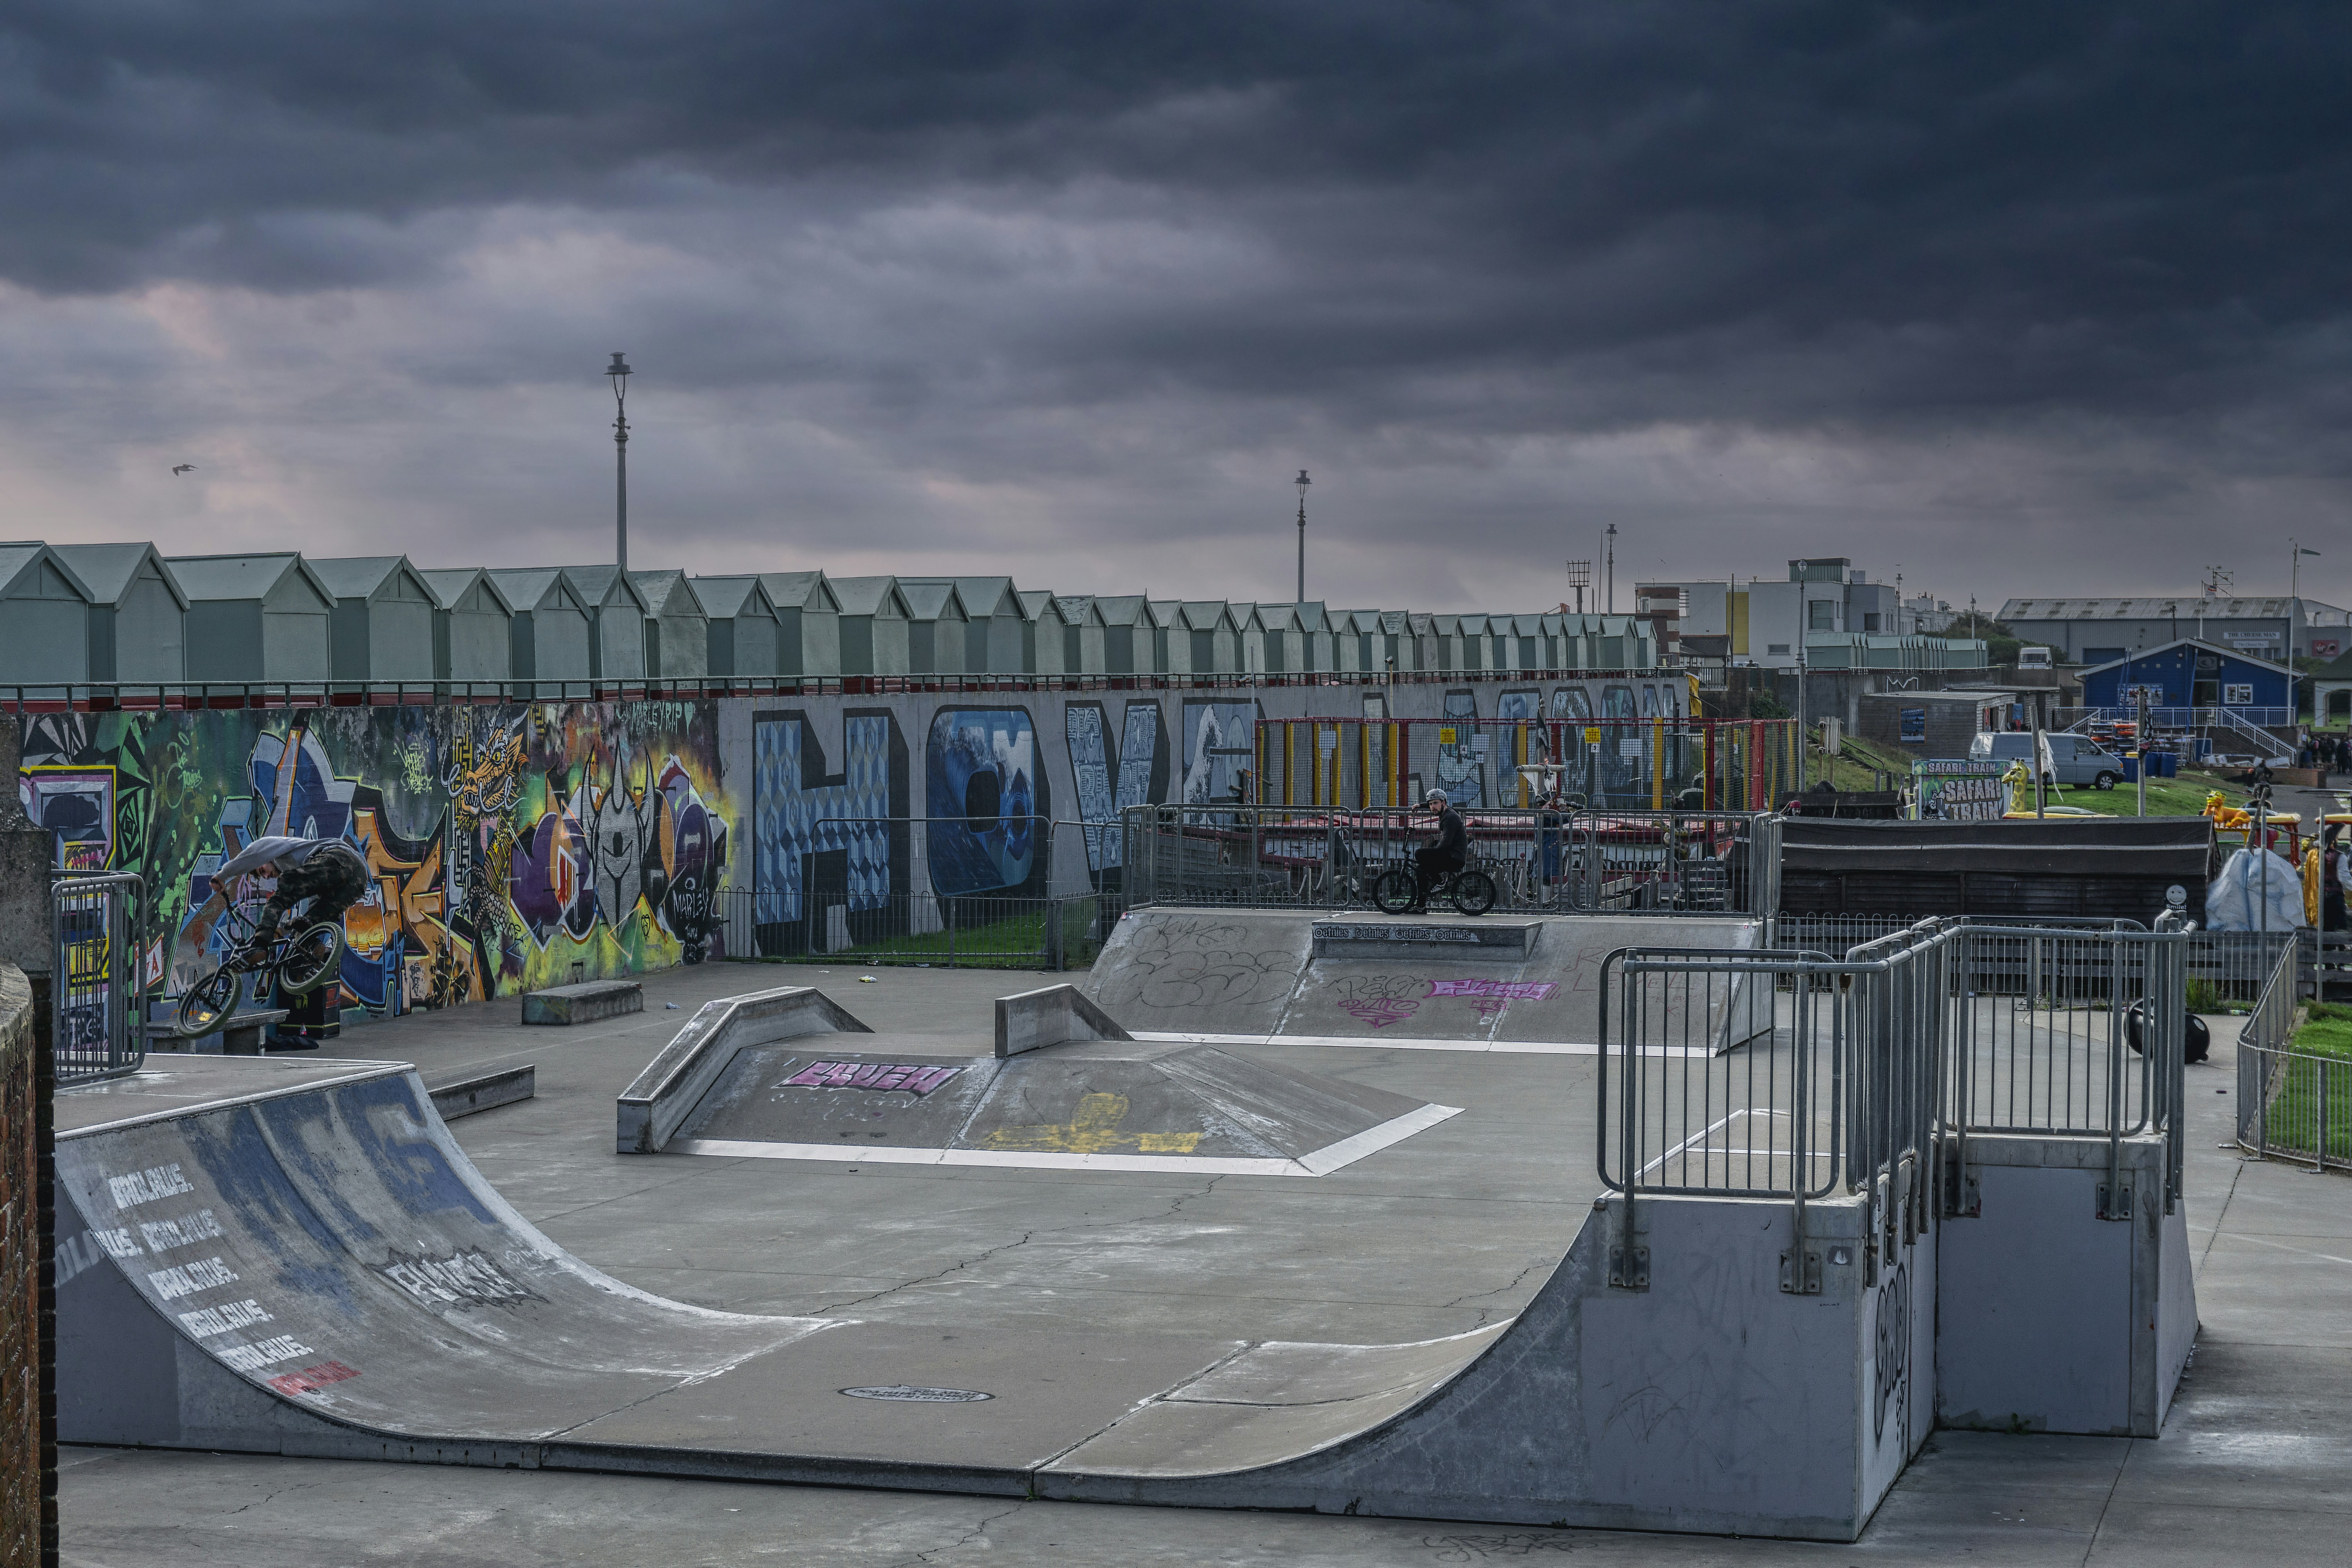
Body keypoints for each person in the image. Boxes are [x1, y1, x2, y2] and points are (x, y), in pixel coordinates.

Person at [212, 833, 370, 964]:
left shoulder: (280, 847)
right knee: (308, 925)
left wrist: (223, 875)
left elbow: (254, 853)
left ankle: (260, 945)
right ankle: (313, 958)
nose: (268, 876)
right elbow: (317, 899)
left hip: (339, 857)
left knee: (280, 896)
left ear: (266, 860)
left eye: (263, 870)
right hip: (359, 881)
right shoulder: (307, 872)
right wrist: (285, 929)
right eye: (264, 877)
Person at [1410, 788, 1468, 911]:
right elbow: (1433, 805)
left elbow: (1446, 843)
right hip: (1451, 854)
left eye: (1435, 803)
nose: (1432, 807)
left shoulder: (1450, 818)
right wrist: (1420, 806)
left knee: (1420, 853)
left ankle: (1440, 882)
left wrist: (1433, 853)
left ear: (1444, 802)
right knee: (1421, 870)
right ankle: (1421, 906)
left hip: (1455, 857)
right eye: (1431, 804)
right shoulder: (1445, 811)